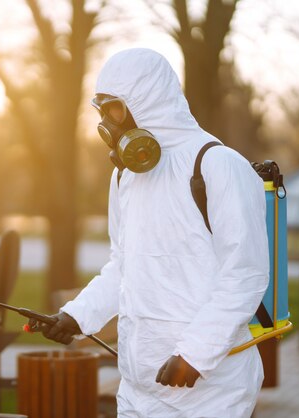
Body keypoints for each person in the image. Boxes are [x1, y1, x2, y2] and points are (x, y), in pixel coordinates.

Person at [31, 48, 269, 417]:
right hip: (139, 386)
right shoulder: (126, 175)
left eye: (114, 109)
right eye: (101, 112)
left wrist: (195, 354)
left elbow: (245, 276)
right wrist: (77, 316)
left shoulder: (219, 166)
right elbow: (123, 266)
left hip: (211, 388)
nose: (107, 126)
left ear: (148, 99)